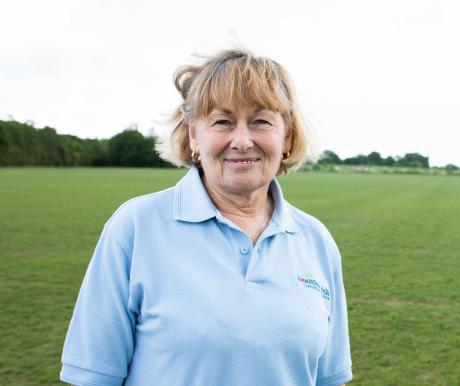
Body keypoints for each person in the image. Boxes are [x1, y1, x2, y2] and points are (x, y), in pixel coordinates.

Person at [60, 49, 352, 386]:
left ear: (286, 135)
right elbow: (93, 378)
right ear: (194, 135)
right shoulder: (135, 228)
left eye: (260, 121)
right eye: (223, 122)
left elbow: (330, 379)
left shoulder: (316, 240)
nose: (242, 141)